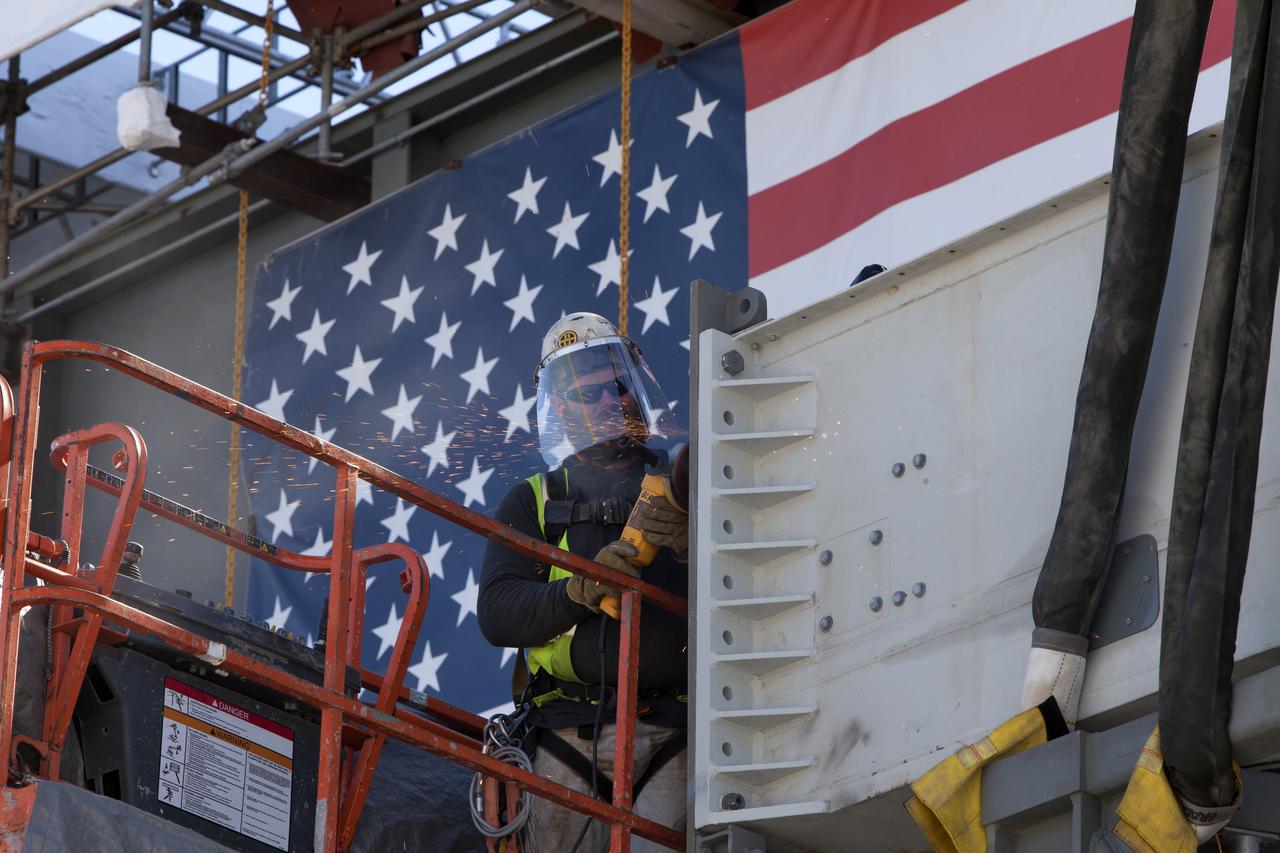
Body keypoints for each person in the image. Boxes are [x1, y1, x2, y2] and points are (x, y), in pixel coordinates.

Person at [478, 312, 689, 853]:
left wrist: (697, 543)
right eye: (584, 395)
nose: (605, 403)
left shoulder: (687, 486)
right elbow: (498, 611)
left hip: (677, 729)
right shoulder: (533, 501)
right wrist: (579, 591)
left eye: (614, 387)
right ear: (561, 411)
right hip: (567, 732)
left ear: (633, 391)